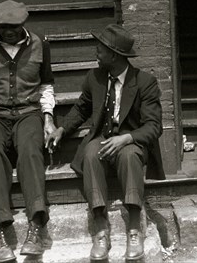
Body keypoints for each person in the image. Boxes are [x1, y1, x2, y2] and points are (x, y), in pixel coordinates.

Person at [46, 24, 165, 262]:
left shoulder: (144, 82)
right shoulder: (95, 77)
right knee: (90, 153)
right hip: (103, 138)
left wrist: (126, 138)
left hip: (130, 139)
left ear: (114, 54)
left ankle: (133, 228)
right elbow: (81, 110)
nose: (96, 53)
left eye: (99, 49)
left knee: (129, 156)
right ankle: (101, 229)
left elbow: (154, 126)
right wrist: (60, 129)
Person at [0, 0, 57, 262]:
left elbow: (46, 86)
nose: (9, 31)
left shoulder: (40, 44)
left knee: (31, 151)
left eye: (14, 27)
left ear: (23, 24)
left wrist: (48, 118)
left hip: (28, 113)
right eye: (3, 27)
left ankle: (36, 227)